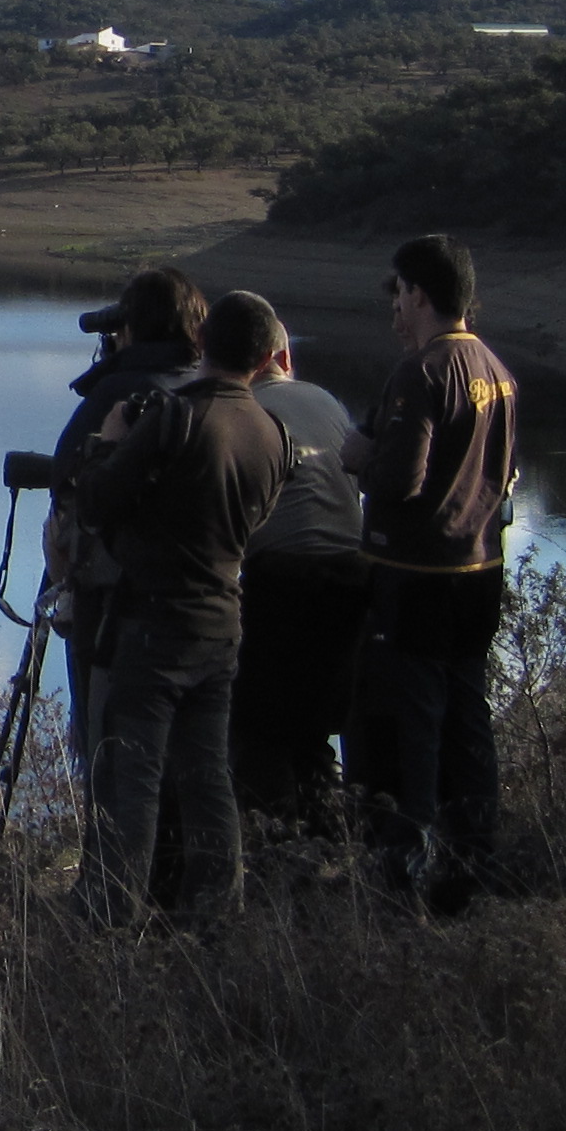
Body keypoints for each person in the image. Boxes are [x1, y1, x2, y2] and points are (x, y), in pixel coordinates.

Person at [70, 292, 293, 917]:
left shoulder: (176, 417)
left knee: (132, 781)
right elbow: (258, 518)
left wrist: (108, 442)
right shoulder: (272, 432)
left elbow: (97, 502)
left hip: (153, 625)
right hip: (221, 624)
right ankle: (217, 916)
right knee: (207, 776)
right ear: (263, 356)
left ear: (205, 344)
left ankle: (113, 921)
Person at [340, 234, 519, 903]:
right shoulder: (493, 368)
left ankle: (412, 871)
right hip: (479, 568)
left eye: (398, 292)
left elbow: (401, 479)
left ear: (418, 292)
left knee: (411, 723)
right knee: (468, 717)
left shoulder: (423, 371)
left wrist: (360, 456)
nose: (394, 307)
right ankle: (475, 857)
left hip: (416, 574)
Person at [46, 269, 206, 786]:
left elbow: (69, 480)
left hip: (109, 595)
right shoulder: (208, 387)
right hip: (199, 596)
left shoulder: (115, 391)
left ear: (131, 326)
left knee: (107, 747)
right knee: (187, 757)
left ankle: (110, 857)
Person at [229, 323, 369, 835]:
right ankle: (328, 833)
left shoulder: (241, 413)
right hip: (352, 580)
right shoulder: (327, 402)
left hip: (283, 581)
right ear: (283, 357)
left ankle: (274, 849)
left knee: (259, 728)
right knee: (316, 724)